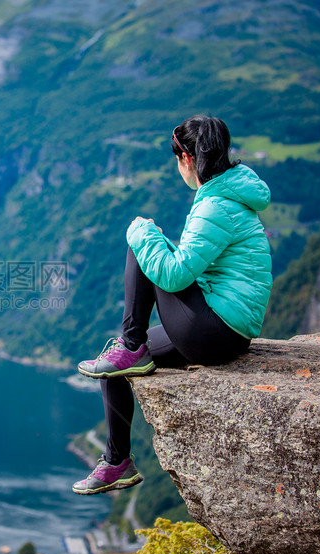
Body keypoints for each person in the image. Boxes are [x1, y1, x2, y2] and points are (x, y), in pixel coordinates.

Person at [72, 115, 273, 495]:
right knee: (111, 365)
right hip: (225, 329)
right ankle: (117, 463)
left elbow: (175, 275)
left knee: (143, 243)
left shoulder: (217, 205)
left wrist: (140, 231)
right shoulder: (228, 195)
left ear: (186, 158)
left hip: (216, 331)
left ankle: (131, 345)